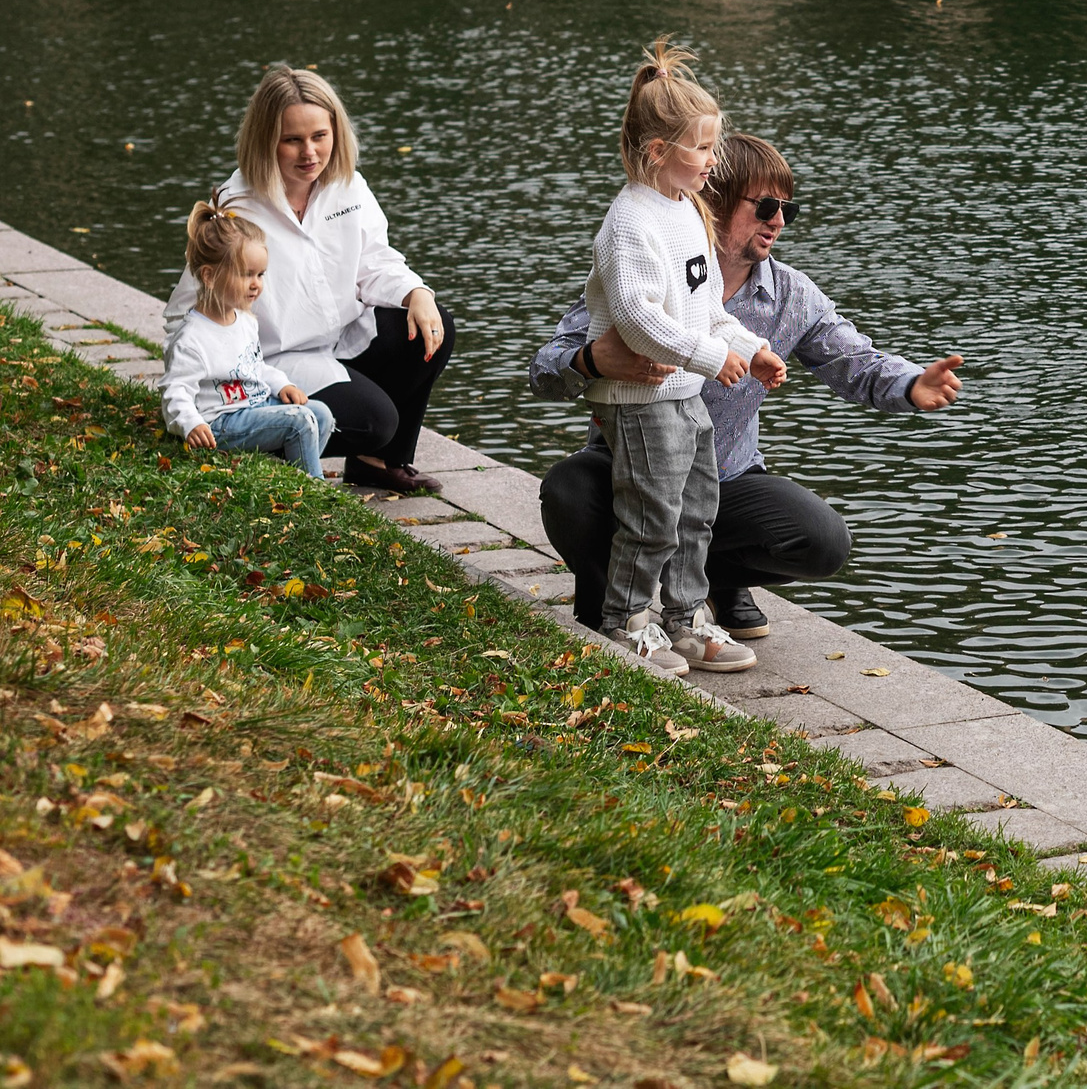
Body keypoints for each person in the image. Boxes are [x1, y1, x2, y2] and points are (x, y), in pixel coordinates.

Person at [529, 130, 962, 641]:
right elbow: (545, 371)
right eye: (766, 206)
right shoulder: (640, 269)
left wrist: (912, 384)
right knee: (568, 490)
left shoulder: (790, 295)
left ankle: (714, 581)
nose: (779, 221)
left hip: (727, 478)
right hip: (630, 469)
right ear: (711, 199)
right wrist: (592, 361)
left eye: (787, 210)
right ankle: (616, 603)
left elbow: (855, 359)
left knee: (823, 540)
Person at [579, 41, 787, 676]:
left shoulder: (685, 213)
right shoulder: (630, 224)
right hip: (643, 400)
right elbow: (643, 323)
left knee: (698, 510)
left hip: (683, 398)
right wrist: (707, 356)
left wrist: (749, 349)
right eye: (702, 147)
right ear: (657, 152)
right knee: (651, 516)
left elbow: (702, 309)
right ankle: (626, 622)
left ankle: (687, 616)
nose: (713, 160)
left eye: (714, 145)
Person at [164, 64, 455, 495]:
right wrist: (203, 398)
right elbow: (185, 311)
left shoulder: (348, 186)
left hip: (341, 340)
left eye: (320, 136)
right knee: (375, 422)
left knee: (433, 326)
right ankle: (252, 435)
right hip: (272, 367)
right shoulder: (237, 206)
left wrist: (417, 292)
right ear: (266, 141)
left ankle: (378, 464)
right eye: (292, 140)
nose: (310, 153)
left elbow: (375, 261)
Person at [161, 199, 336, 480]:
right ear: (209, 276)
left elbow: (254, 367)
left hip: (255, 406)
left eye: (260, 274)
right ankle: (313, 491)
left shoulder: (244, 320)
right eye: (246, 275)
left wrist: (282, 385)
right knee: (300, 421)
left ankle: (291, 477)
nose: (256, 284)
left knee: (321, 413)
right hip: (220, 423)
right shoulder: (192, 338)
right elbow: (175, 390)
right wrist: (191, 424)